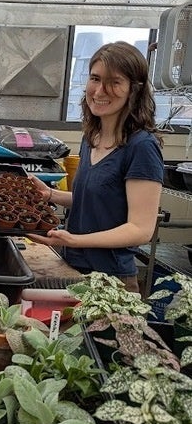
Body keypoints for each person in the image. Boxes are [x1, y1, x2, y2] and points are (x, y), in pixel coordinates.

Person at [29, 41, 164, 293]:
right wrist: (50, 195)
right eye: (95, 78)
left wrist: (76, 240)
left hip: (111, 282)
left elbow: (140, 229)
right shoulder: (91, 137)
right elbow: (94, 200)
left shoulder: (141, 146)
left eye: (114, 82)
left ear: (134, 90)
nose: (100, 90)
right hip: (72, 267)